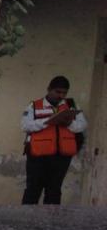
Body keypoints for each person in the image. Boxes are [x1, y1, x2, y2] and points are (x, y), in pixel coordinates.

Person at [21, 76, 87, 204]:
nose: (61, 95)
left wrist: (68, 124)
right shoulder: (34, 105)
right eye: (57, 92)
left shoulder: (71, 105)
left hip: (61, 156)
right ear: (49, 89)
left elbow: (82, 125)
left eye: (64, 93)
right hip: (37, 155)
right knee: (33, 190)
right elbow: (25, 125)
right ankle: (26, 222)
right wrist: (48, 121)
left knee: (54, 191)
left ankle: (51, 222)